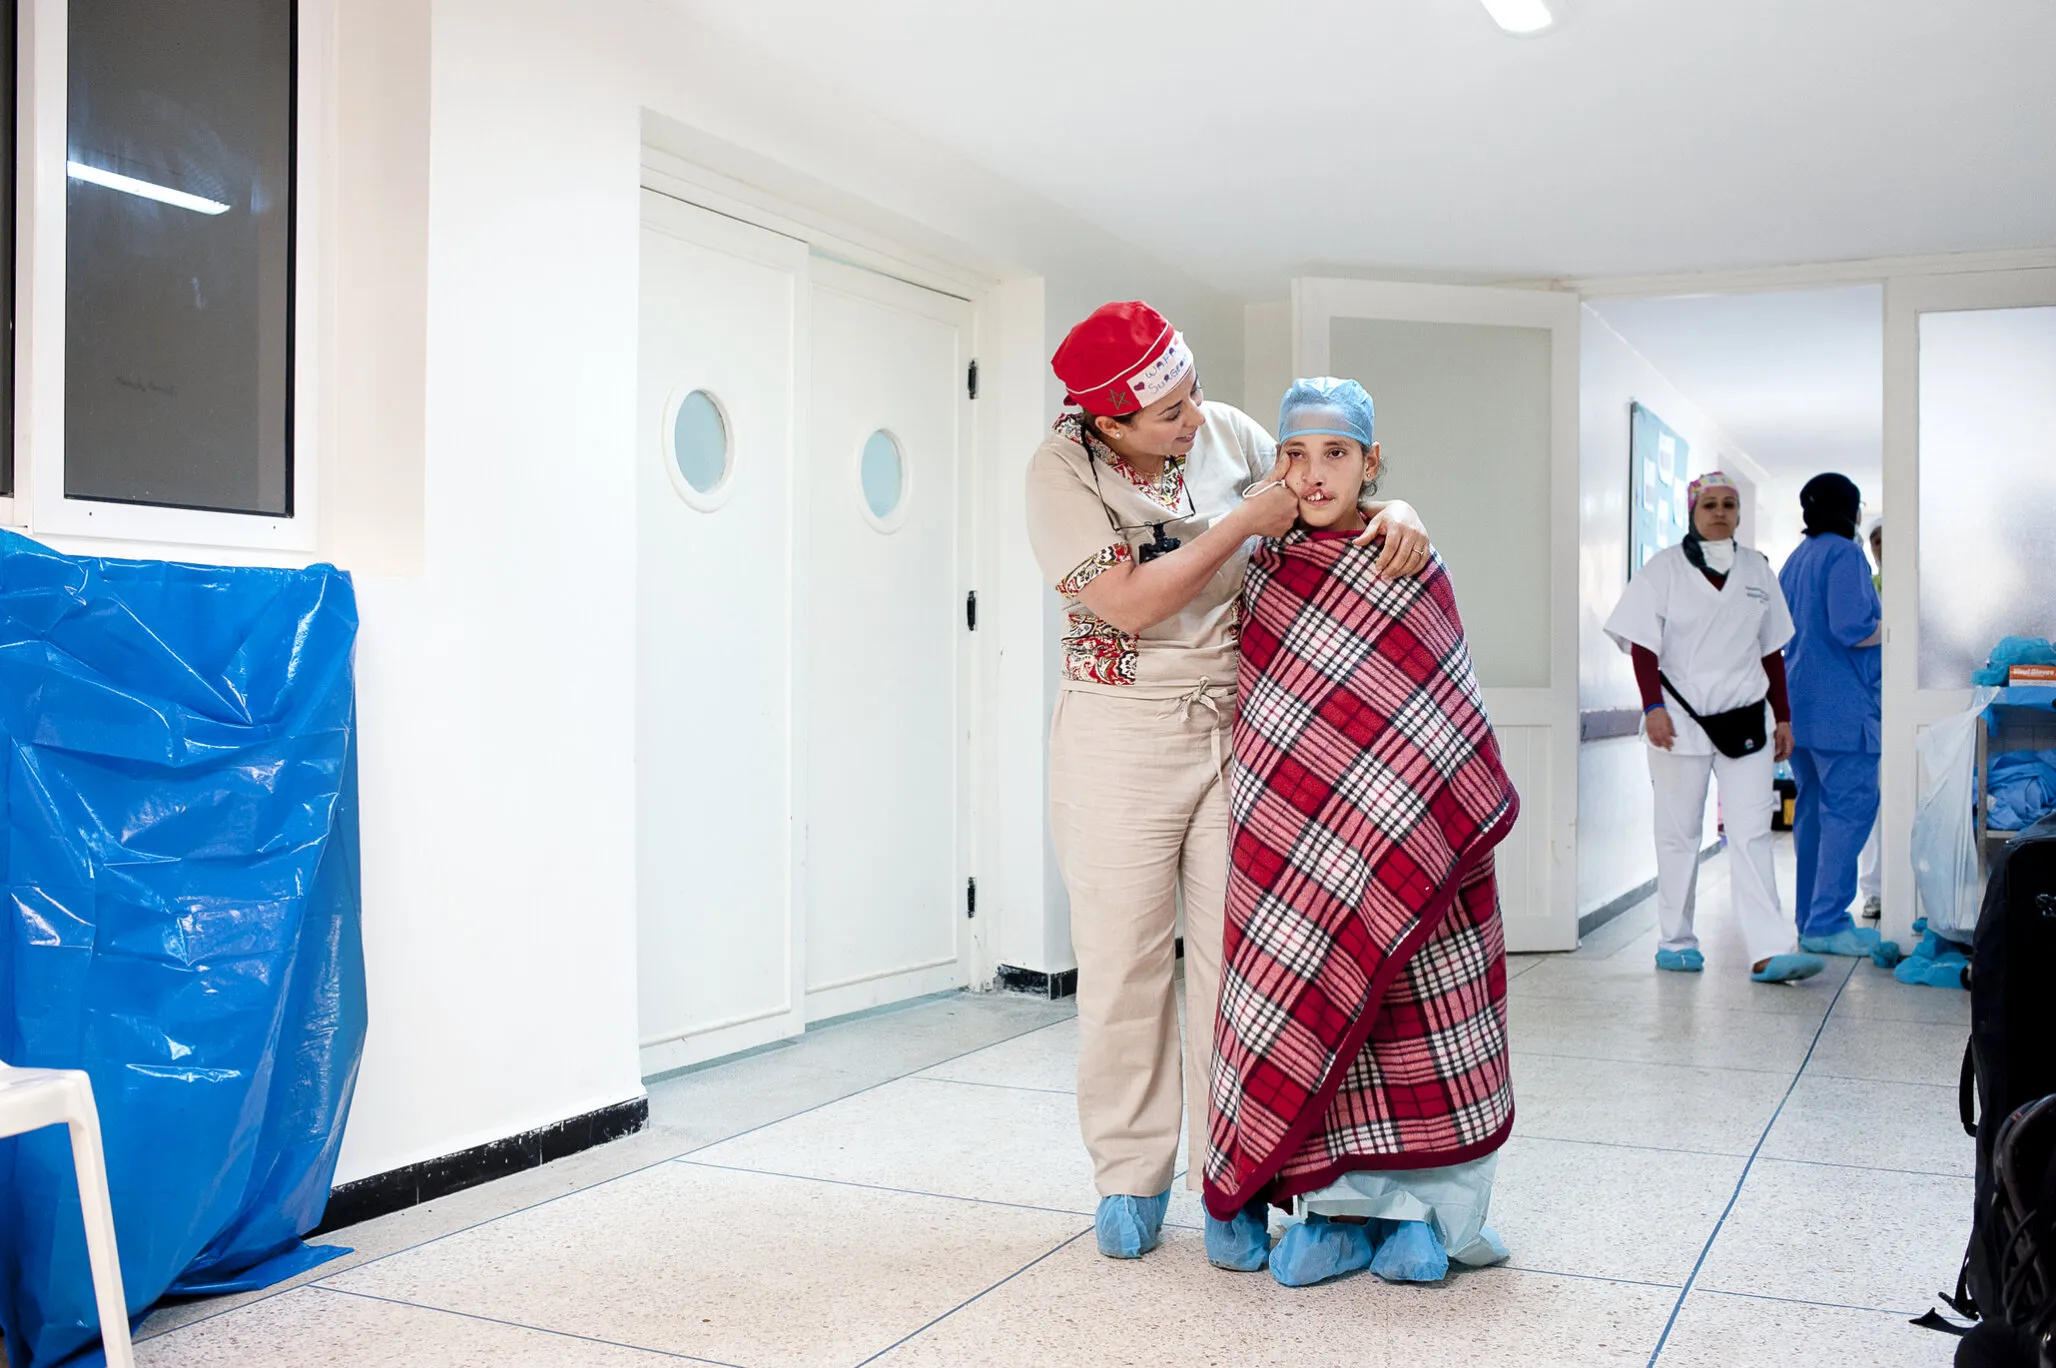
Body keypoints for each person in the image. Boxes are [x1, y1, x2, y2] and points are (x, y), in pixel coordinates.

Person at [1023, 305, 1432, 1262]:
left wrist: (1397, 510)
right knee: (1123, 963)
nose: (1194, 417)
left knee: (1234, 973)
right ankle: (1130, 1176)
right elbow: (1123, 603)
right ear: (1110, 422)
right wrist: (1241, 523)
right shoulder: (1062, 473)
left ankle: (1232, 1181)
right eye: (1168, 410)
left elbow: (1329, 494)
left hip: (1235, 724)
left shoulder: (1232, 433)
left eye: (1193, 391)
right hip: (1121, 735)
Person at [1204, 378, 1514, 1288]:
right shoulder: (1259, 568)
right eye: (1293, 455)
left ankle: (1419, 1212)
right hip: (1293, 841)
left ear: (1372, 462)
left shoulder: (1413, 560)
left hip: (1412, 844)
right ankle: (1334, 1208)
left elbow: (1442, 712)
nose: (1312, 474)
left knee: (1416, 1010)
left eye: (1335, 453)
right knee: (1314, 999)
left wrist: (1404, 823)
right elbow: (1271, 717)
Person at [1603, 473, 1826, 984]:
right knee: (1678, 834)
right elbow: (1643, 646)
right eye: (1710, 504)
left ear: (1740, 514)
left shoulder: (1757, 571)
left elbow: (1773, 652)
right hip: (1677, 721)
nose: (1720, 512)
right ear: (1693, 511)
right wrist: (1652, 707)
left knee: (1751, 834)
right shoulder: (1664, 569)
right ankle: (1675, 941)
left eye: (1729, 504)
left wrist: (1784, 717)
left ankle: (1769, 950)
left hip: (1748, 718)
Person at [1778, 474, 1893, 960]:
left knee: (1812, 814)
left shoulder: (1795, 559)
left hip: (1801, 703)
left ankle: (1809, 920)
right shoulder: (1846, 555)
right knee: (1849, 811)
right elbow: (1852, 627)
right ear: (1850, 509)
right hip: (1842, 710)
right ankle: (1827, 921)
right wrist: (1897, 627)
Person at [1856, 516, 1884, 921]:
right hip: (1870, 706)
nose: (1882, 547)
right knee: (1872, 804)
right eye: (1876, 540)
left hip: (1905, 706)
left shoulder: (1920, 586)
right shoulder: (1865, 588)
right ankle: (1875, 890)